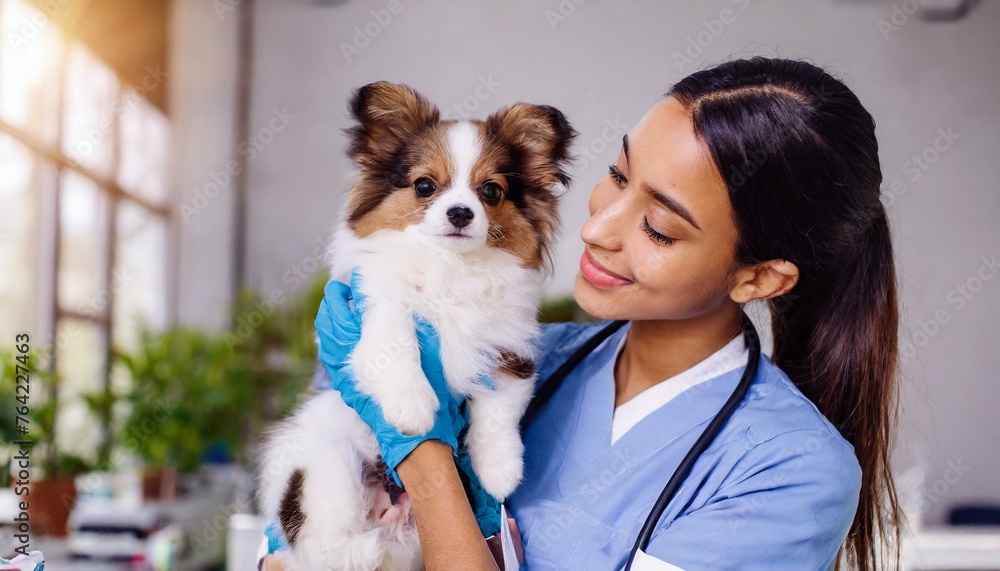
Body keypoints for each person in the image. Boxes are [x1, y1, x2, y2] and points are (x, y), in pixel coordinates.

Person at [259, 56, 900, 570]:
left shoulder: (790, 475)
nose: (597, 228)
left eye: (657, 228)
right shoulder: (524, 353)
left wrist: (421, 452)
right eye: (618, 177)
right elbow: (287, 549)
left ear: (758, 276)